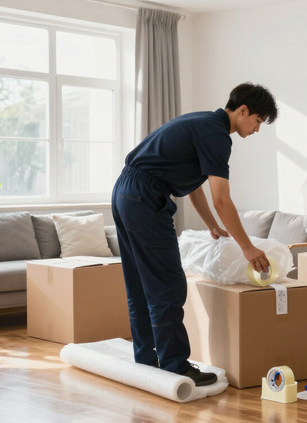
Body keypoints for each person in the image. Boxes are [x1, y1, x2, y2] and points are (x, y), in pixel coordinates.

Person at [111, 83, 278, 386]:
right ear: (242, 111)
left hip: (126, 191)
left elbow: (193, 185)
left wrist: (211, 225)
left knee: (140, 283)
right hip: (144, 197)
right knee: (169, 284)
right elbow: (222, 199)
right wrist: (248, 248)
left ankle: (147, 360)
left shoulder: (203, 123)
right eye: (257, 121)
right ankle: (175, 366)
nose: (256, 129)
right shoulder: (216, 136)